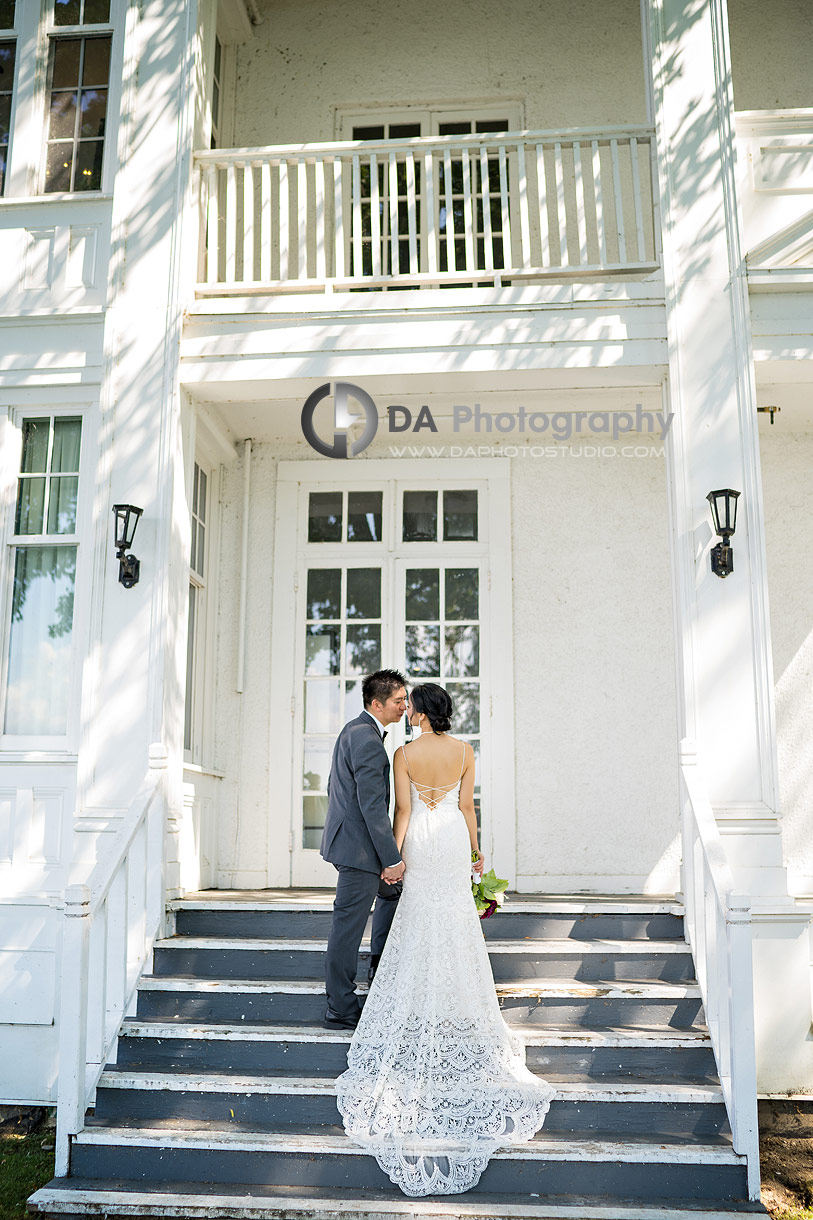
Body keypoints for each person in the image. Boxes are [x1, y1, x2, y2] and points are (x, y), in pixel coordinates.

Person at [335, 682, 555, 1196]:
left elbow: (404, 812)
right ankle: (460, 997)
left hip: (421, 839)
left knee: (416, 914)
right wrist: (477, 854)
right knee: (455, 916)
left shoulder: (404, 753)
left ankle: (414, 996)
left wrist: (395, 854)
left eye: (410, 706)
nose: (405, 710)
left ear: (422, 712)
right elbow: (468, 806)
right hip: (453, 837)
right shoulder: (464, 750)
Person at [320, 670, 408, 1030]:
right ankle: (340, 1007)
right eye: (398, 700)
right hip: (358, 852)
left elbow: (333, 787)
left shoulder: (354, 730)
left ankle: (378, 970)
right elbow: (372, 805)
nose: (405, 705)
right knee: (347, 927)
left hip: (352, 842)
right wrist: (392, 858)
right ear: (377, 703)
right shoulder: (368, 739)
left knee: (392, 895)